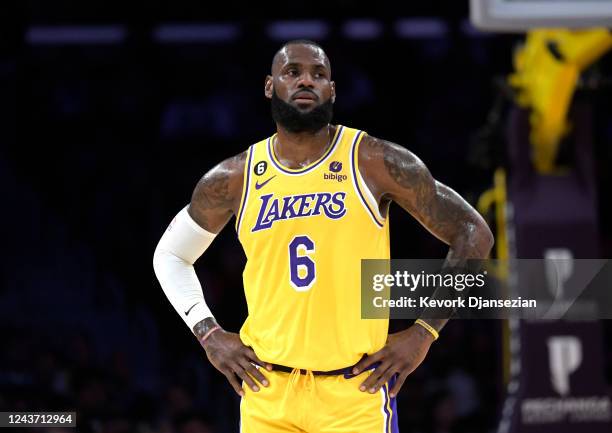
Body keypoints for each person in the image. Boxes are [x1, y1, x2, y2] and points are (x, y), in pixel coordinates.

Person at [153, 39, 494, 432]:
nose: (306, 81)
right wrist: (209, 333)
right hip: (268, 392)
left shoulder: (373, 161)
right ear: (269, 86)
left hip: (355, 392)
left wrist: (424, 332)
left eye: (318, 74)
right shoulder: (235, 177)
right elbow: (171, 257)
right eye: (292, 72)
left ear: (332, 90)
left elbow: (474, 233)